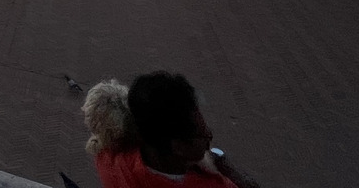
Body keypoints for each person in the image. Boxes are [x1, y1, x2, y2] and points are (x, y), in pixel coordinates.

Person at [82, 72, 261, 188]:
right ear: (178, 147)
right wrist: (229, 169)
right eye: (201, 133)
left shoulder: (110, 159)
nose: (209, 137)